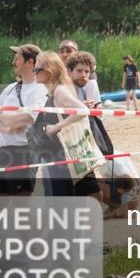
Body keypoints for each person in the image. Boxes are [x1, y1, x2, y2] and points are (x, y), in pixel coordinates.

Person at [32, 51, 102, 199]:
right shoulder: (53, 91)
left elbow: (82, 111)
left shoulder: (59, 91)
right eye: (34, 69)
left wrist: (56, 127)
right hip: (62, 154)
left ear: (50, 71)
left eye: (38, 70)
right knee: (84, 195)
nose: (34, 73)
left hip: (66, 154)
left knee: (76, 197)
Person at [0, 44, 48, 196]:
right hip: (2, 151)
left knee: (20, 203)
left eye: (17, 59)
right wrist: (7, 128)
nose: (13, 62)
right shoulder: (11, 88)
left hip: (24, 152)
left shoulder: (40, 88)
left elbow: (28, 117)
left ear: (30, 62)